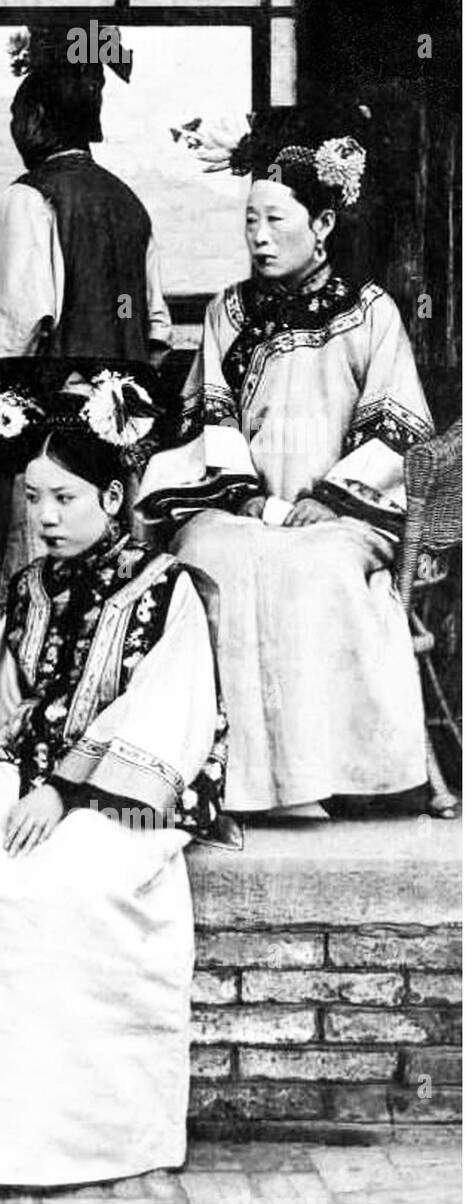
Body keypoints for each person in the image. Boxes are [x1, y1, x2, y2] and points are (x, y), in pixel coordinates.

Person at [0, 381, 228, 1188]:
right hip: (28, 764)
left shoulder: (163, 586)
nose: (45, 515)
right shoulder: (31, 585)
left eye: (66, 498)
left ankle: (83, 1130)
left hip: (127, 788)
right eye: (33, 497)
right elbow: (0, 693)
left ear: (112, 498)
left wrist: (66, 790)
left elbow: (168, 710)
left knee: (67, 884)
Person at [141, 108, 434, 812]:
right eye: (250, 222)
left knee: (313, 573)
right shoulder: (230, 313)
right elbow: (209, 415)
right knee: (219, 562)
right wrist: (244, 496)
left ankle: (322, 779)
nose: (260, 237)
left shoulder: (370, 314)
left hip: (339, 517)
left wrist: (329, 500)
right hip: (239, 508)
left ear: (324, 225)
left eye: (276, 220)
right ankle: (227, 779)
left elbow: (398, 429)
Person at [0, 25, 174, 594]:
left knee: (36, 579)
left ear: (40, 117)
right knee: (113, 581)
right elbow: (158, 331)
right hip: (116, 434)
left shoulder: (31, 196)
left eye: (18, 117)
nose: (16, 130)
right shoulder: (129, 204)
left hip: (45, 437)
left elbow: (15, 319)